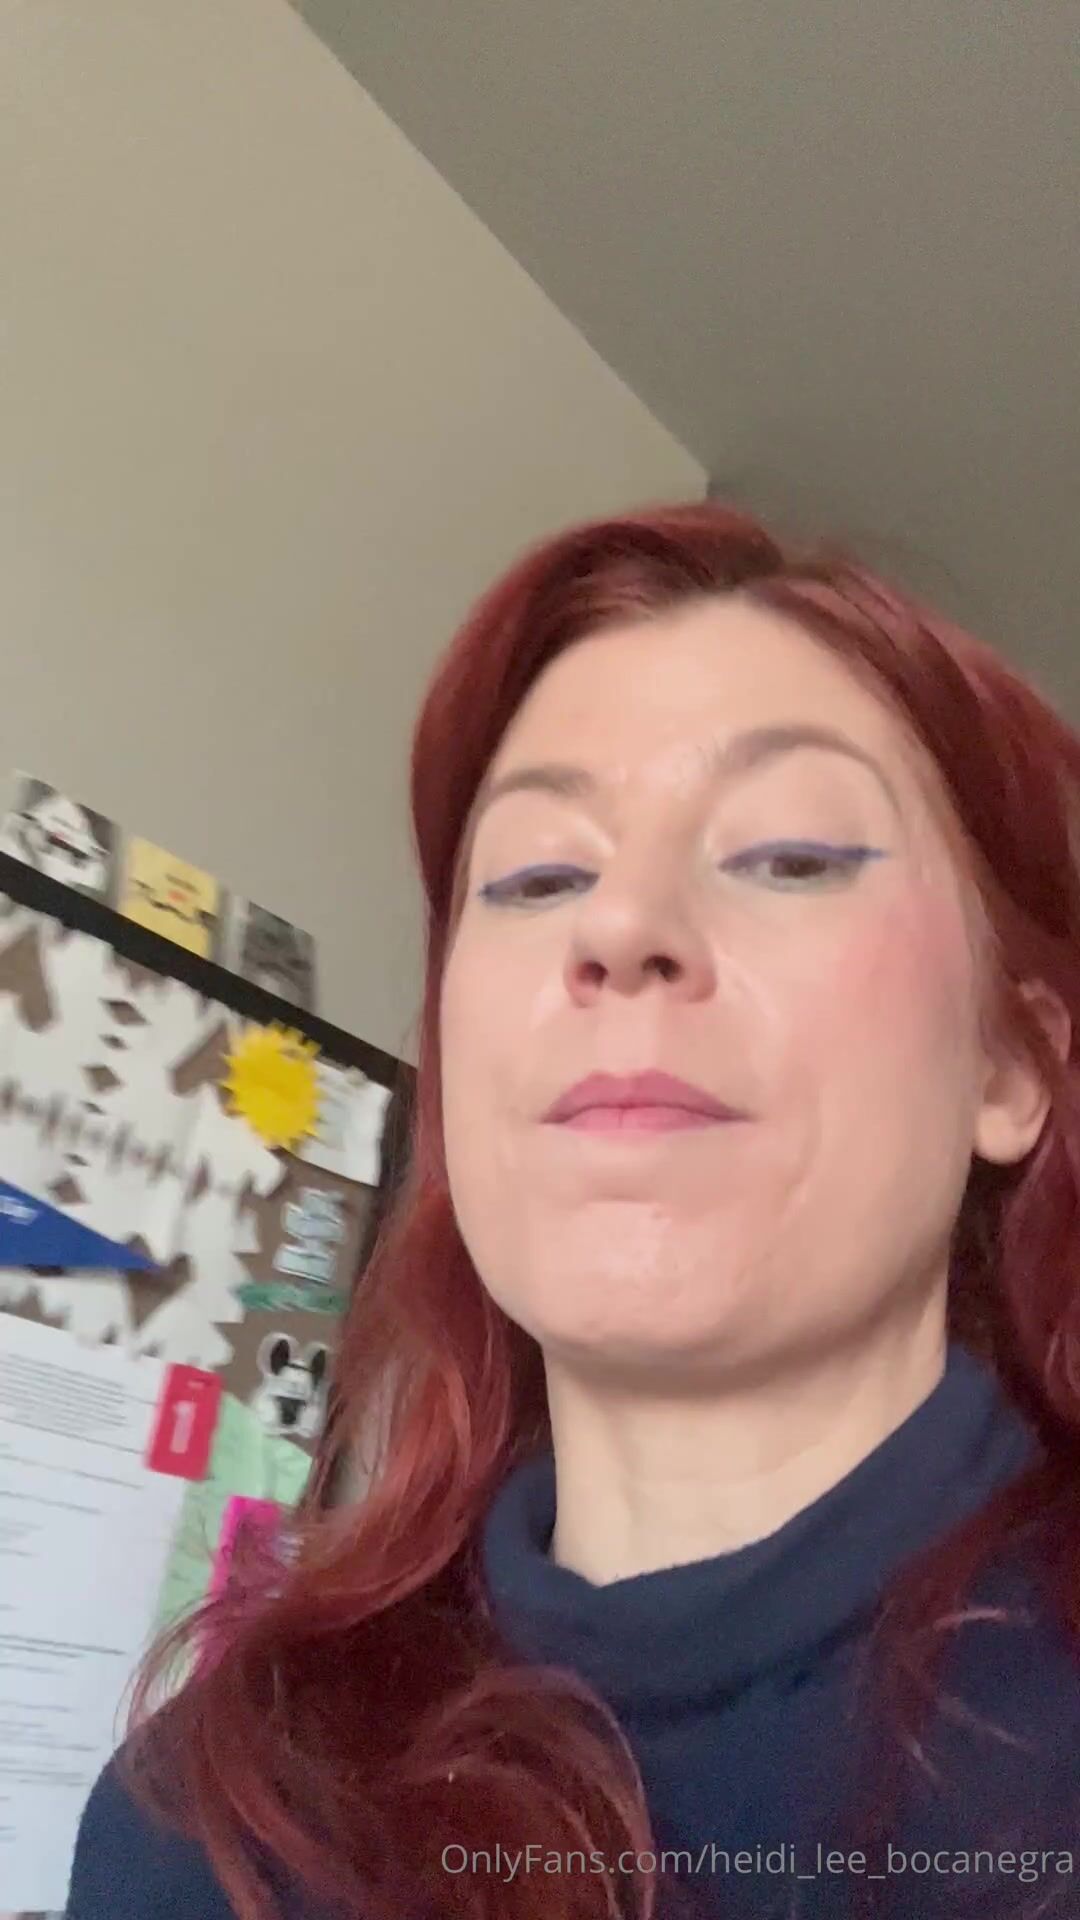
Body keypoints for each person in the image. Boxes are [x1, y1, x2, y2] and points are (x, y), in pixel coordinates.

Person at [68, 502, 1080, 1920]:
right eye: (539, 876)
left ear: (1012, 1063)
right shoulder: (201, 1822)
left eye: (789, 853)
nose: (619, 926)